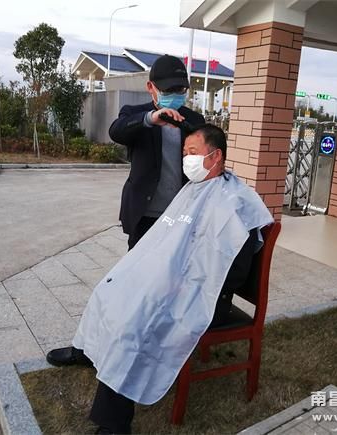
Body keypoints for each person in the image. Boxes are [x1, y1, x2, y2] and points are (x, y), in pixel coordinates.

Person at [72, 124, 273, 433]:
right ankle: (86, 351)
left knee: (135, 318)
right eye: (184, 153)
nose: (186, 160)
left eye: (192, 153)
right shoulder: (194, 188)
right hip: (176, 282)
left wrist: (177, 283)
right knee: (110, 289)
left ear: (215, 156)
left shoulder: (236, 202)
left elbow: (232, 272)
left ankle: (115, 422)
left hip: (207, 296)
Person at [47, 54, 204, 367]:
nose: (176, 95)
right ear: (151, 88)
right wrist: (152, 118)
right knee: (128, 286)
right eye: (168, 89)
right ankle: (91, 347)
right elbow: (117, 131)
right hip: (146, 218)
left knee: (169, 289)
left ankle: (159, 348)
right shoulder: (136, 115)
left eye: (181, 89)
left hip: (181, 221)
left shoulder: (194, 121)